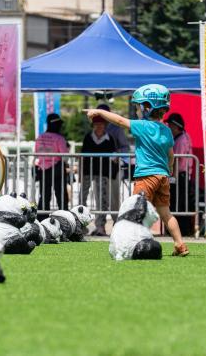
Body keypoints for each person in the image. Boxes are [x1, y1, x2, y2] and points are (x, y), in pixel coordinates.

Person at [86, 84, 189, 256]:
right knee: (166, 213)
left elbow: (119, 121)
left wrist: (100, 112)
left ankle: (134, 243)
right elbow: (170, 155)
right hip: (162, 176)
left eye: (138, 106)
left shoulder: (142, 126)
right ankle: (180, 244)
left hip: (146, 177)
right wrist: (169, 168)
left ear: (147, 108)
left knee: (136, 210)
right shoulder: (166, 130)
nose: (137, 110)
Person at [80, 116, 118, 236]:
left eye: (101, 124)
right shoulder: (88, 137)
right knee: (82, 198)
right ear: (93, 125)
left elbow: (114, 155)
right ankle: (81, 226)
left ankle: (100, 227)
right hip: (88, 171)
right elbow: (82, 155)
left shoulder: (109, 138)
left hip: (103, 173)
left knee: (103, 200)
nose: (99, 126)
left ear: (105, 125)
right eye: (96, 124)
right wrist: (80, 172)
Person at [96, 103, 130, 218]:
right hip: (98, 169)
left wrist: (117, 155)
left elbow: (125, 147)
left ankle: (116, 222)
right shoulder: (94, 128)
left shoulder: (116, 128)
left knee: (114, 197)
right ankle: (100, 224)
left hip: (114, 169)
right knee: (99, 197)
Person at [165, 113, 195, 236]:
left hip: (180, 176)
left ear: (176, 126)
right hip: (181, 176)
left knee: (179, 204)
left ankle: (181, 230)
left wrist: (173, 177)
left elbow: (177, 159)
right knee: (180, 204)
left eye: (170, 125)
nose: (169, 127)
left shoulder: (181, 139)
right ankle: (182, 230)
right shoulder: (182, 137)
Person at [34, 113, 70, 214]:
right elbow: (65, 157)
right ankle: (64, 217)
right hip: (57, 169)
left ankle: (42, 218)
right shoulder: (59, 138)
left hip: (42, 170)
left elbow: (36, 153)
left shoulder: (40, 137)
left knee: (44, 196)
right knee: (61, 195)